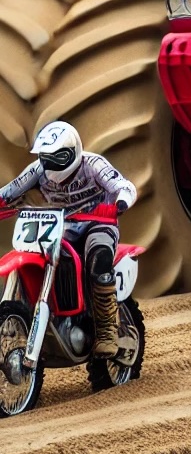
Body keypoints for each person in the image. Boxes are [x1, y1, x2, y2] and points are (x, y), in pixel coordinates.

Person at [0, 121, 137, 358]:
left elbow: (123, 185)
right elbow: (9, 191)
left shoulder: (93, 164)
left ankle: (106, 332)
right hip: (62, 225)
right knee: (36, 254)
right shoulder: (38, 170)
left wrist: (121, 201)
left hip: (98, 223)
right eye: (47, 157)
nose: (52, 163)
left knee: (98, 259)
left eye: (59, 157)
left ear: (74, 151)